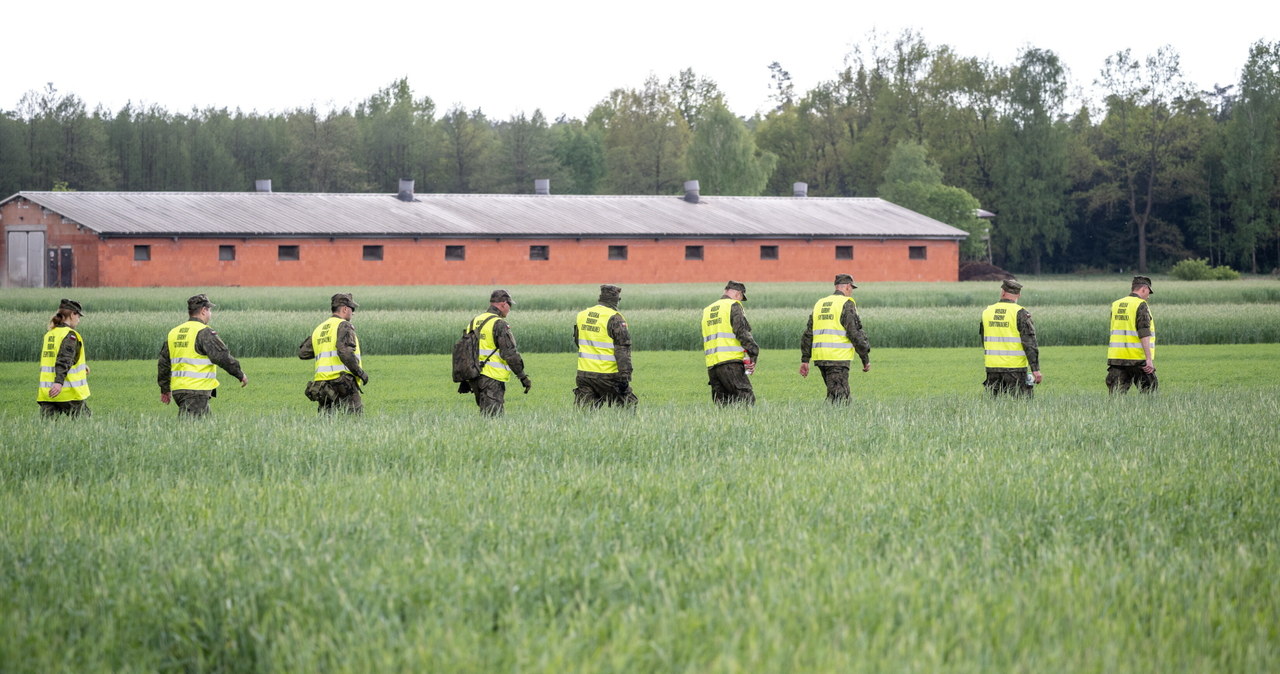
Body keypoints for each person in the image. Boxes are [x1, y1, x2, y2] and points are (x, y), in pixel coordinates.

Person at [157, 293, 248, 417]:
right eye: (209, 310)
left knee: (208, 430)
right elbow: (222, 356)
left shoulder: (174, 332)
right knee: (190, 431)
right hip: (196, 392)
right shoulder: (203, 332)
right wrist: (239, 373)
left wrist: (165, 389)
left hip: (179, 391)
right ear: (204, 311)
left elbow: (163, 363)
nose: (210, 313)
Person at [798, 274, 871, 403]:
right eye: (852, 288)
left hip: (821, 358)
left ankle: (828, 421)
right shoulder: (846, 303)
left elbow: (808, 333)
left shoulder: (820, 303)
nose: (851, 292)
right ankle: (827, 421)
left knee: (834, 396)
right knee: (841, 400)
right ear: (848, 286)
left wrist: (805, 359)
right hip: (837, 358)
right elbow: (854, 333)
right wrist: (865, 358)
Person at [462, 289, 531, 416]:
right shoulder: (499, 324)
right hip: (491, 377)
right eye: (509, 305)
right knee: (494, 419)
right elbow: (509, 354)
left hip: (474, 377)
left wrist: (464, 379)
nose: (509, 309)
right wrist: (522, 376)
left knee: (485, 415)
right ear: (503, 304)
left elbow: (464, 350)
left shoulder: (474, 321)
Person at [299, 292, 368, 414]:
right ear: (345, 309)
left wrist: (323, 345)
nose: (353, 312)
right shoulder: (344, 326)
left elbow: (303, 352)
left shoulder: (319, 329)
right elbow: (344, 352)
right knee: (355, 419)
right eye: (352, 309)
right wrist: (360, 373)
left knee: (327, 422)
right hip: (342, 382)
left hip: (322, 384)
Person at [573, 284, 637, 408]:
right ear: (615, 300)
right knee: (629, 405)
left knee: (584, 413)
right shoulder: (615, 318)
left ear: (600, 298)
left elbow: (578, 341)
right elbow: (623, 350)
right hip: (607, 375)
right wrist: (625, 378)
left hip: (584, 374)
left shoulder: (582, 315)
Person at [979, 279, 1042, 397]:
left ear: (1002, 292)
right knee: (1021, 406)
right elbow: (1029, 343)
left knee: (994, 407)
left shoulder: (987, 312)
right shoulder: (1020, 313)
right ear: (1019, 295)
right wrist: (1035, 369)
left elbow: (984, 340)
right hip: (1015, 369)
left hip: (992, 368)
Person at [701, 280, 759, 406]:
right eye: (741, 298)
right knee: (747, 402)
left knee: (724, 408)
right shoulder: (733, 305)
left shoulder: (707, 310)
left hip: (712, 367)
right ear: (738, 294)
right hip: (730, 364)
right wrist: (753, 354)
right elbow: (741, 332)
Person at [36, 298, 91, 417]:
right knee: (86, 426)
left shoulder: (50, 334)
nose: (79, 320)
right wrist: (59, 382)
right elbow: (64, 359)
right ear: (72, 314)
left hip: (47, 393)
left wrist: (81, 366)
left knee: (47, 431)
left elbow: (55, 358)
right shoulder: (70, 335)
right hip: (66, 392)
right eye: (78, 316)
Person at [1107, 275, 1158, 394]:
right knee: (1150, 395)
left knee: (1116, 397)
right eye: (1148, 292)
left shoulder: (1116, 304)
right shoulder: (1140, 304)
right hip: (1137, 358)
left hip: (1117, 358)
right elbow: (1144, 332)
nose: (1148, 296)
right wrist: (1149, 359)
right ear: (1143, 289)